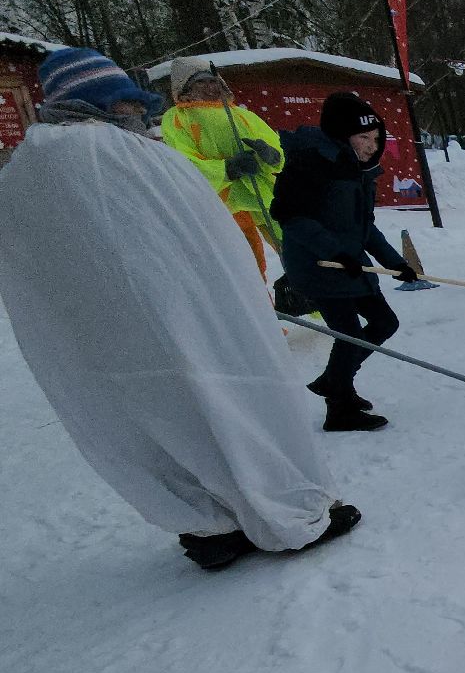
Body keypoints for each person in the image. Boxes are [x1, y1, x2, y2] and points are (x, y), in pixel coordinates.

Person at [0, 48, 359, 571]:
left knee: (154, 422)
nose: (136, 114)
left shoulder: (21, 172)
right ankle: (293, 514)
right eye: (126, 103)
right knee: (234, 398)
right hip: (183, 314)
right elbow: (199, 238)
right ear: (105, 102)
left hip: (103, 342)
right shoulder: (124, 154)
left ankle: (207, 527)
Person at [272, 91, 418, 432]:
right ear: (342, 135)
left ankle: (335, 382)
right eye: (363, 138)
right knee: (350, 333)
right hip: (319, 266)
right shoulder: (312, 162)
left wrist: (395, 262)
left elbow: (365, 226)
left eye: (376, 138)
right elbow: (290, 217)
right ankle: (339, 409)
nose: (371, 146)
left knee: (383, 323)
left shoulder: (359, 169)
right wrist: (333, 252)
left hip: (350, 262)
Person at [159, 56, 283, 278]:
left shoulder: (240, 114)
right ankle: (259, 309)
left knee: (296, 249)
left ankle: (319, 307)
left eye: (213, 81)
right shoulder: (178, 118)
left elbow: (273, 143)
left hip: (263, 194)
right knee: (246, 267)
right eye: (201, 83)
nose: (210, 87)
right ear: (186, 87)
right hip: (222, 201)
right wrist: (227, 168)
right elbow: (184, 160)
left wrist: (271, 155)